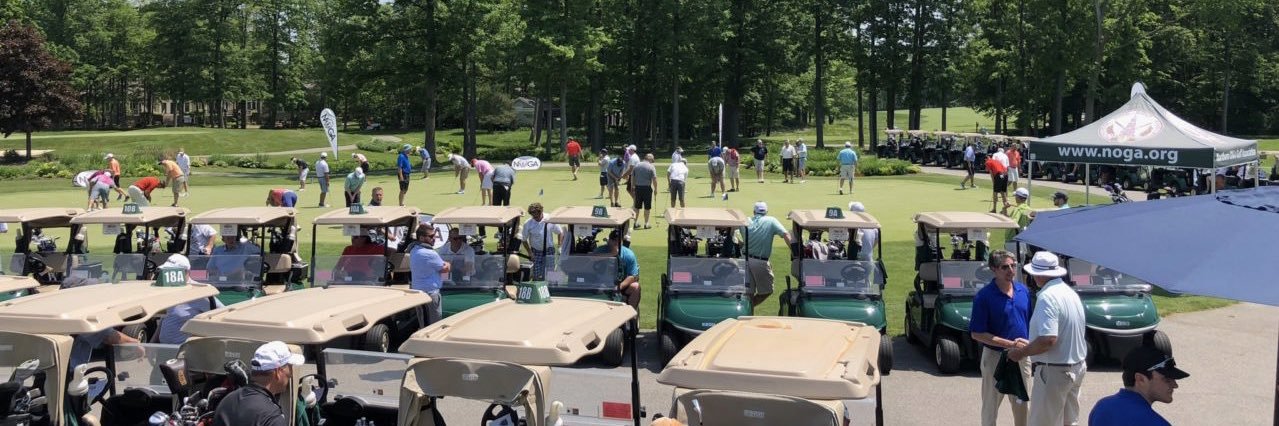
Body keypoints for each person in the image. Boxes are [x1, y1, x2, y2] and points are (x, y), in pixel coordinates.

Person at [1008, 251, 1088, 426]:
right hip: (1076, 366)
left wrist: (1021, 352)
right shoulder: (1070, 293)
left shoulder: (1047, 297)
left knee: (1042, 423)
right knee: (1069, 422)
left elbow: (1048, 340)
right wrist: (1031, 345)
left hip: (1055, 371)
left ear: (1038, 275)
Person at [969, 250, 1033, 426]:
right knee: (990, 407)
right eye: (1005, 267)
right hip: (995, 358)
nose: (1011, 270)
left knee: (1023, 407)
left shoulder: (1023, 292)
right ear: (993, 269)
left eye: (1013, 266)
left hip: (1021, 357)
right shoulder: (984, 297)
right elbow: (977, 333)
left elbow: (1030, 323)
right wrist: (1011, 344)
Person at [1088, 346, 1188, 426]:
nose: (1175, 385)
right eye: (1167, 379)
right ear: (1141, 379)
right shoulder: (1156, 423)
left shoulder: (1101, 407)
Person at [211, 340, 303, 426]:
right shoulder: (272, 418)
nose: (291, 373)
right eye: (289, 367)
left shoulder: (227, 401)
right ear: (278, 372)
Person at [157, 254, 224, 344]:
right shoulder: (170, 291)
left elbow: (222, 314)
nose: (166, 274)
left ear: (186, 272)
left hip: (184, 351)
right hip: (163, 349)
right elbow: (166, 319)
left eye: (170, 271)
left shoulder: (200, 293)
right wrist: (151, 343)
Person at [744, 201, 792, 307]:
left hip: (744, 261)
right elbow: (785, 234)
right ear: (766, 212)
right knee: (767, 291)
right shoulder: (771, 220)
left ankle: (747, 310)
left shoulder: (746, 220)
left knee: (748, 293)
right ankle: (748, 308)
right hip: (760, 263)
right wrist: (794, 252)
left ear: (754, 212)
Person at [409, 224, 450, 324]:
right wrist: (448, 264)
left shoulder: (414, 249)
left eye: (434, 236)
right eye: (431, 236)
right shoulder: (430, 253)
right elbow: (445, 269)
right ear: (422, 238)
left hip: (419, 292)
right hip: (430, 294)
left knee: (423, 322)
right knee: (434, 324)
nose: (434, 238)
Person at [595, 230, 639, 308]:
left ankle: (632, 316)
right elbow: (592, 259)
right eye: (613, 240)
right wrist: (611, 254)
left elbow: (633, 276)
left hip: (621, 284)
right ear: (609, 240)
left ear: (621, 241)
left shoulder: (628, 254)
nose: (615, 243)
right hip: (601, 284)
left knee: (635, 287)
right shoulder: (600, 250)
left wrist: (619, 287)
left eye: (618, 240)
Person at [521, 203, 563, 280]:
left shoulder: (550, 218)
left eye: (537, 216)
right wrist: (530, 253)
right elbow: (524, 240)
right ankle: (538, 288)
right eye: (533, 216)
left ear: (541, 212)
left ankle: (552, 288)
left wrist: (560, 246)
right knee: (536, 274)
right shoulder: (528, 223)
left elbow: (560, 232)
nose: (535, 218)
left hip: (549, 249)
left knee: (551, 272)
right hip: (535, 251)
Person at [630, 154, 658, 229]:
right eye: (652, 160)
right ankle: (646, 223)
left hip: (638, 188)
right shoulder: (651, 166)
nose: (652, 162)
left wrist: (632, 186)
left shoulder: (637, 165)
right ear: (650, 159)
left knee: (636, 207)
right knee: (647, 207)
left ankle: (635, 223)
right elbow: (654, 179)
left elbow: (632, 176)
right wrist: (655, 189)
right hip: (647, 188)